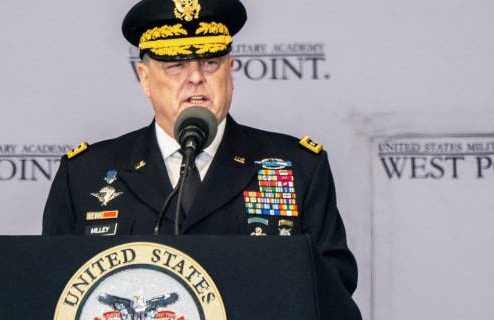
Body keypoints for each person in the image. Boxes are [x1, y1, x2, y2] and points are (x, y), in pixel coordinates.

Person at [42, 0, 358, 295]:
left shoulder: (298, 167)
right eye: (176, 65)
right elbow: (54, 289)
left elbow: (334, 287)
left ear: (230, 71)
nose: (195, 77)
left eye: (210, 62)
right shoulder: (85, 174)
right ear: (145, 78)